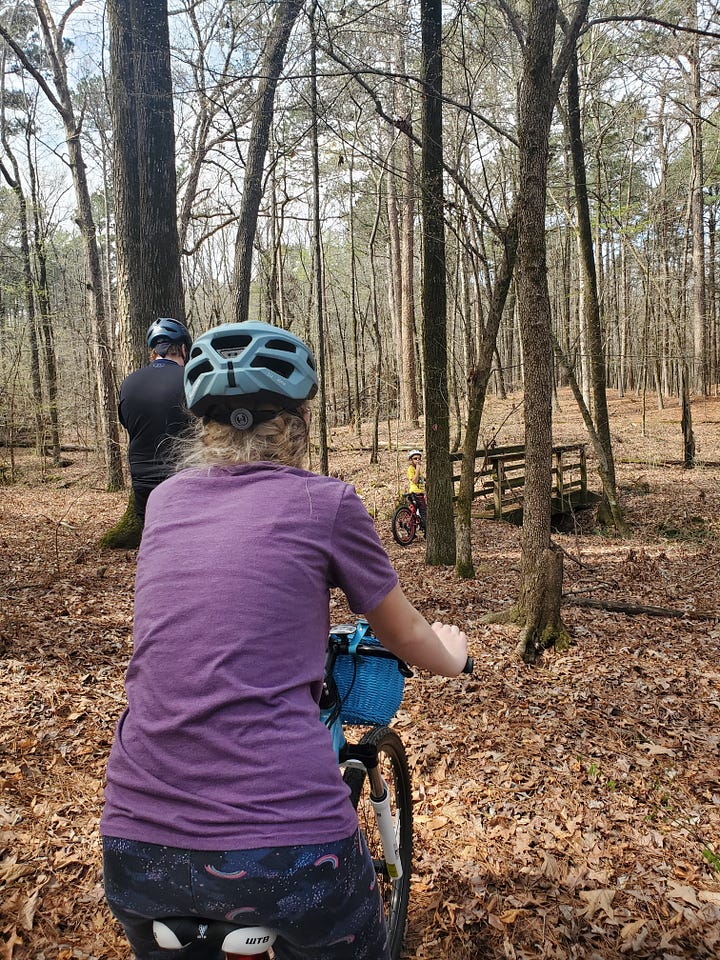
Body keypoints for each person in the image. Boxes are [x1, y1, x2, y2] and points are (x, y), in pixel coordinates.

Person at [101, 320, 469, 960]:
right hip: (286, 845)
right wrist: (453, 656)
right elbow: (406, 632)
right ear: (299, 423)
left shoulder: (163, 503)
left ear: (203, 427)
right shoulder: (326, 503)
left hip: (136, 844)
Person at [118, 318, 192, 527]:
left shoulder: (129, 382)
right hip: (182, 475)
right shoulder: (191, 380)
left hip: (143, 482)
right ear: (183, 349)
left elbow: (127, 423)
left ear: (154, 351)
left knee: (152, 534)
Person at [406, 449, 427, 529]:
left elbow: (421, 479)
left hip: (420, 493)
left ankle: (414, 528)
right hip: (416, 493)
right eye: (415, 458)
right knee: (424, 512)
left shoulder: (418, 470)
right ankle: (426, 530)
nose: (417, 460)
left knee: (416, 511)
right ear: (411, 460)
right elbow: (415, 480)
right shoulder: (411, 469)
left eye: (419, 459)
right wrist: (418, 468)